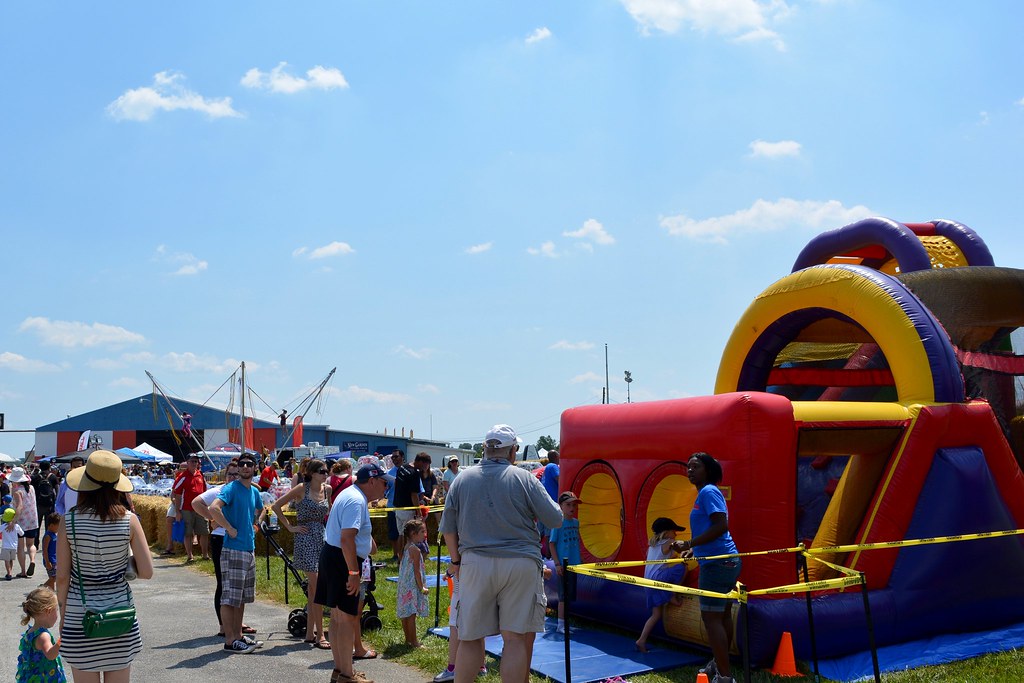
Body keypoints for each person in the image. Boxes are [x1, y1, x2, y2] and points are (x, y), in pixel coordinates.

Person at [439, 424, 563, 683]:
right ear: (512, 451)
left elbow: (448, 529)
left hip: (474, 563)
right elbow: (555, 518)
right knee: (515, 639)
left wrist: (456, 561)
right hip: (520, 563)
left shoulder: (462, 479)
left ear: (485, 449)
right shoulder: (524, 478)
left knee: (470, 638)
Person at [56, 450, 154, 681]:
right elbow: (147, 572)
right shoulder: (129, 520)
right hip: (120, 614)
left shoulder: (69, 521)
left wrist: (63, 614)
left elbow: (62, 577)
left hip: (80, 613)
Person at [315, 462, 392, 683]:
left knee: (338, 617)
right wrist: (353, 572)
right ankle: (347, 674)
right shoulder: (356, 500)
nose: (386, 488)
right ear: (372, 481)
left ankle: (340, 670)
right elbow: (347, 538)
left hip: (334, 556)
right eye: (384, 483)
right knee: (347, 619)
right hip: (342, 559)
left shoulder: (350, 494)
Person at [682, 452, 741, 683]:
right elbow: (711, 528)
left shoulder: (708, 491)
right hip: (723, 561)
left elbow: (721, 526)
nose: (690, 470)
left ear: (707, 469)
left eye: (695, 466)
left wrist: (689, 543)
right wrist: (695, 549)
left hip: (717, 564)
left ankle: (724, 677)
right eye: (688, 466)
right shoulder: (705, 493)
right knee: (722, 615)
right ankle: (719, 664)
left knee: (711, 619)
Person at [191, 460, 257, 639]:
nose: (233, 477)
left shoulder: (246, 489)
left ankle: (236, 627)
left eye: (236, 474)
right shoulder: (220, 490)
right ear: (225, 475)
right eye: (230, 474)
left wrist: (254, 524)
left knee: (238, 588)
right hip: (222, 539)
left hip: (241, 542)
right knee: (224, 584)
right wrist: (215, 520)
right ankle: (224, 627)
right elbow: (196, 503)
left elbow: (259, 508)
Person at [207, 453, 265, 654]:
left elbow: (262, 509)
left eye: (249, 464)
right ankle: (230, 640)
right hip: (233, 549)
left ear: (255, 468)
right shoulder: (231, 488)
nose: (246, 467)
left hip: (248, 549)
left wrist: (256, 524)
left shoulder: (253, 491)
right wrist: (229, 528)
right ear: (238, 468)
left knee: (241, 598)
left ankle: (239, 636)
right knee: (229, 597)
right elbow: (213, 508)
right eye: (242, 464)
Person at [271, 458, 332, 648]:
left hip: (321, 537)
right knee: (317, 586)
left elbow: (330, 514)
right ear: (312, 473)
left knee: (314, 590)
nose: (325, 474)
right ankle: (320, 635)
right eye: (322, 471)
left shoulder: (328, 490)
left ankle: (310, 633)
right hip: (305, 538)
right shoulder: (301, 489)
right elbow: (276, 506)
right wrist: (290, 527)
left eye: (326, 471)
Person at [635, 517, 689, 653]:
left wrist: (677, 556)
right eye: (674, 531)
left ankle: (641, 640)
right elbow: (683, 548)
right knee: (683, 567)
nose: (676, 534)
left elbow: (667, 557)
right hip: (657, 579)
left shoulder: (652, 545)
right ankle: (673, 594)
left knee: (656, 614)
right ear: (666, 533)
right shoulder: (669, 542)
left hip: (648, 582)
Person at [547, 491, 582, 634]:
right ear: (561, 506)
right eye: (568, 505)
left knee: (569, 596)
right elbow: (552, 544)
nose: (572, 508)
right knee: (563, 596)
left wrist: (580, 558)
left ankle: (566, 622)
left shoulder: (576, 522)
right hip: (563, 565)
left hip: (574, 564)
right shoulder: (558, 523)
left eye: (574, 505)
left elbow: (577, 541)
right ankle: (560, 624)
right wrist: (557, 564)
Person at [17, 586, 66, 683]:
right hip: (44, 679)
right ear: (48, 611)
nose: (57, 614)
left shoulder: (30, 632)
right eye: (56, 610)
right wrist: (62, 639)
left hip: (32, 678)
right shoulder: (43, 636)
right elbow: (51, 655)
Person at [396, 518, 430, 647]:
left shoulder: (406, 547)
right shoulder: (415, 550)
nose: (425, 534)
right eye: (422, 532)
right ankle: (414, 642)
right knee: (411, 615)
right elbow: (417, 571)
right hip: (412, 586)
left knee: (406, 614)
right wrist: (422, 587)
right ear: (413, 534)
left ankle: (408, 640)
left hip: (404, 585)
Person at [173, 455, 209, 563]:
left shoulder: (201, 475)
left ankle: (205, 555)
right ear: (187, 463)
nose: (194, 463)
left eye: (196, 461)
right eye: (192, 461)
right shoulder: (182, 477)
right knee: (187, 532)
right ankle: (190, 555)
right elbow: (177, 494)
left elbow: (205, 491)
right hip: (186, 508)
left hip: (200, 507)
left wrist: (206, 506)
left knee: (204, 531)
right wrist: (177, 511)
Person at [9, 467, 39, 578]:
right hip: (32, 520)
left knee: (20, 547)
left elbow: (20, 507)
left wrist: (13, 521)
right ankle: (32, 560)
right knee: (31, 544)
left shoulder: (17, 491)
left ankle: (23, 571)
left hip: (21, 522)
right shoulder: (31, 488)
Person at [385, 451, 405, 560]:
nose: (394, 459)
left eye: (396, 457)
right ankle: (395, 554)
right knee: (393, 532)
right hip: (392, 506)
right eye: (392, 457)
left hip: (406, 506)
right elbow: (384, 489)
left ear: (402, 457)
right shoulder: (389, 473)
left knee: (406, 532)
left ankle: (405, 553)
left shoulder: (409, 471)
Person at [32, 462, 59, 533]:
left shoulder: (35, 477)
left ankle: (36, 539)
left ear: (40, 468)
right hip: (49, 504)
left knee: (37, 526)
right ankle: (47, 539)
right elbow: (57, 490)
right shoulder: (53, 477)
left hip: (38, 504)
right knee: (49, 526)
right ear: (49, 467)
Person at [3, 507, 25, 580]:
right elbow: (22, 533)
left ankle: (9, 573)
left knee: (6, 560)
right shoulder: (16, 526)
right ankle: (10, 572)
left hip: (5, 546)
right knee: (11, 560)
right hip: (14, 546)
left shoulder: (3, 526)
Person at [41, 513, 61, 590]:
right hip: (50, 560)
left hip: (55, 560)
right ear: (52, 525)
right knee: (53, 577)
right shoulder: (48, 536)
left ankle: (52, 592)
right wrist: (47, 562)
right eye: (58, 526)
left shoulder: (54, 534)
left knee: (53, 578)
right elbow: (45, 550)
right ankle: (42, 587)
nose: (59, 528)